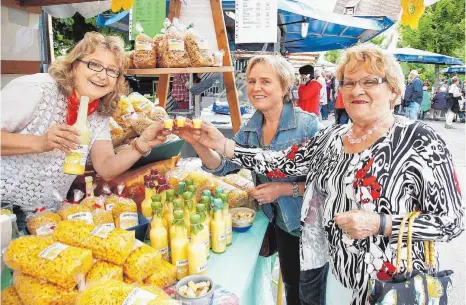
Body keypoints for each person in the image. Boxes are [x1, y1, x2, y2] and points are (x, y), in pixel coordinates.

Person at [178, 44, 464, 305]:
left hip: (393, 285)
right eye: (348, 83)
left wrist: (380, 222)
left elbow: (452, 221)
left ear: (393, 90)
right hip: (339, 278)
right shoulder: (334, 137)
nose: (356, 90)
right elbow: (280, 161)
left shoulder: (418, 139)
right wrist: (221, 144)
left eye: (369, 81)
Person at [175, 55, 328, 305]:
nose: (256, 88)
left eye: (266, 81)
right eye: (252, 80)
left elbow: (326, 184)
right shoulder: (251, 128)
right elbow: (224, 166)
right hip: (281, 223)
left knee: (309, 295)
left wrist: (282, 189)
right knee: (291, 286)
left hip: (308, 226)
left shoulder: (307, 125)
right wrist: (198, 143)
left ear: (284, 86)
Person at [0, 32, 169, 227]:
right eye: (94, 64)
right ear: (74, 65)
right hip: (4, 211)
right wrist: (39, 142)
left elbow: (105, 168)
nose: (102, 75)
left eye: (112, 70)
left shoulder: (97, 113)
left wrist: (142, 143)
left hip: (45, 219)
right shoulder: (37, 89)